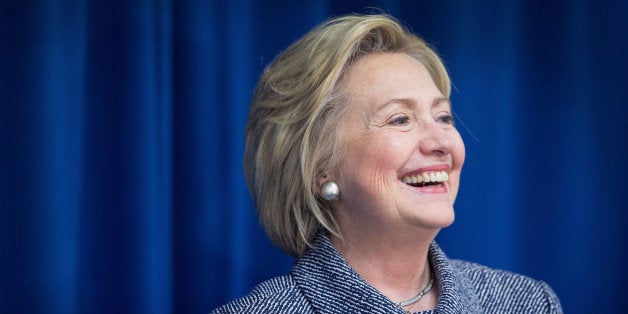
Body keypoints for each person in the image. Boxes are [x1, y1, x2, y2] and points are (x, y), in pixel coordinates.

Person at [212, 14, 562, 313]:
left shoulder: (528, 302)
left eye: (443, 117)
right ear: (320, 170)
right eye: (400, 119)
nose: (442, 143)